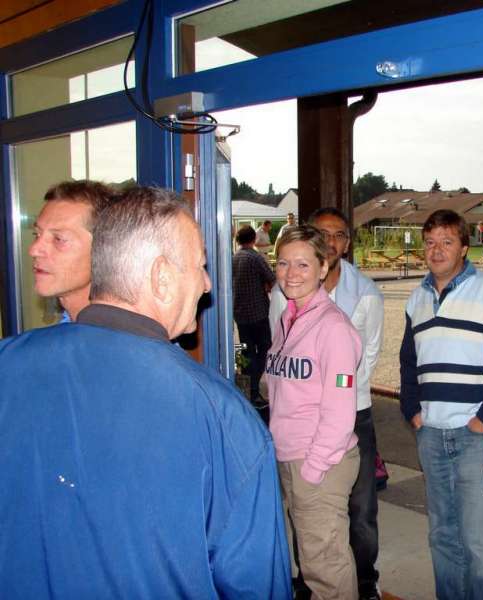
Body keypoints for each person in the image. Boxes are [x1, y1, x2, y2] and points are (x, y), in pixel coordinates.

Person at [0, 186, 291, 597]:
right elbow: (256, 586)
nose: (207, 285)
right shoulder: (222, 418)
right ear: (161, 277)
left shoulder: (8, 363)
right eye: (201, 267)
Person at [270, 208, 384, 600]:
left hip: (318, 459)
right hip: (289, 455)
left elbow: (340, 411)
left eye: (303, 264)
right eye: (283, 262)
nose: (291, 273)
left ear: (323, 268)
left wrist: (314, 469)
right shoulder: (289, 318)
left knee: (326, 565)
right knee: (306, 557)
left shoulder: (333, 328)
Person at [400, 209, 483, 600]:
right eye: (430, 242)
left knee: (477, 540)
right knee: (442, 534)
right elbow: (409, 362)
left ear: (464, 247)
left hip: (474, 434)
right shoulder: (416, 297)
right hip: (431, 433)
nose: (436, 250)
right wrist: (413, 410)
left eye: (446, 242)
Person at [28, 180, 118, 322]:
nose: (33, 250)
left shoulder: (122, 340)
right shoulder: (68, 328)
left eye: (59, 239)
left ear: (105, 251)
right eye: (36, 235)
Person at [233, 224, 276, 410]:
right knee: (265, 348)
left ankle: (244, 391)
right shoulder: (255, 257)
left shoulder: (233, 259)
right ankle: (253, 387)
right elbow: (271, 278)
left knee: (243, 351)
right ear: (254, 240)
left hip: (239, 313)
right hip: (258, 312)